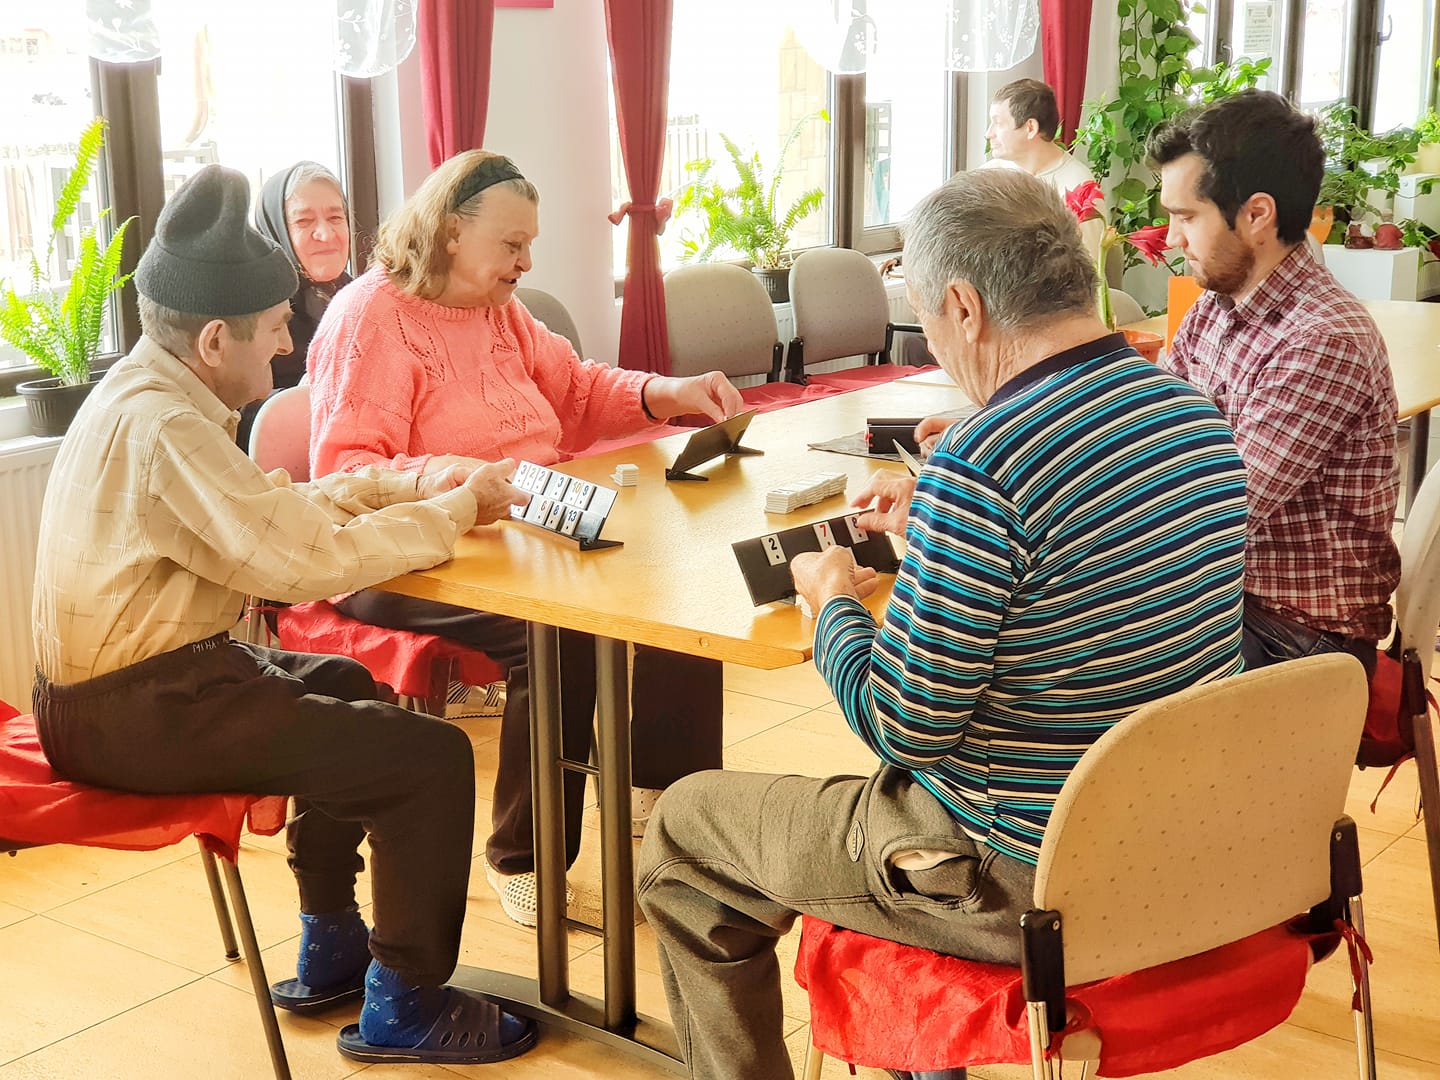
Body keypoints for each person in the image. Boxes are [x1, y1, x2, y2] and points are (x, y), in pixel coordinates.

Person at [634, 168, 1249, 1080]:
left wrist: (833, 602)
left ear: (964, 306)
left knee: (685, 829)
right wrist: (942, 522)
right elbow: (1086, 561)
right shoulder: (1193, 413)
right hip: (1178, 837)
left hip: (1021, 872)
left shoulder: (984, 460)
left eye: (926, 317)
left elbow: (906, 726)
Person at [29, 164, 538, 1067]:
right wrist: (456, 511)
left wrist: (403, 485)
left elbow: (270, 512)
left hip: (138, 691)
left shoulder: (152, 395)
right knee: (431, 758)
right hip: (136, 711)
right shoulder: (167, 428)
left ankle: (333, 943)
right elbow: (300, 563)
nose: (285, 347)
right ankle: (406, 1003)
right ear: (214, 338)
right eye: (272, 330)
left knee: (346, 680)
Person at [306, 150, 743, 928]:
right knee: (558, 629)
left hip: (519, 525)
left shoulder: (497, 308)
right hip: (401, 552)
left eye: (528, 245)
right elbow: (345, 471)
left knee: (676, 581)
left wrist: (668, 392)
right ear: (450, 232)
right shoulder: (369, 317)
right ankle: (524, 855)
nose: (526, 262)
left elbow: (577, 391)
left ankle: (664, 802)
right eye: (512, 245)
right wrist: (456, 478)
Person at [1150, 90, 1399, 676]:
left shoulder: (1322, 337)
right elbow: (1152, 431)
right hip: (1234, 600)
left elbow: (1213, 517)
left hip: (1301, 637)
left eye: (1186, 217)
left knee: (1066, 663)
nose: (1172, 239)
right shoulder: (1218, 304)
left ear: (1257, 214)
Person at [882, 78, 1103, 277]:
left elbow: (1085, 271)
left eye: (998, 123)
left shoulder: (1080, 186)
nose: (988, 134)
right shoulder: (990, 175)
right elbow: (948, 227)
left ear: (1030, 128)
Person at [235, 160, 352, 449]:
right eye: (304, 222)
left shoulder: (364, 298)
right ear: (276, 229)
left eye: (335, 218)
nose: (326, 234)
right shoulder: (253, 310)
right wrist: (298, 401)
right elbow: (233, 415)